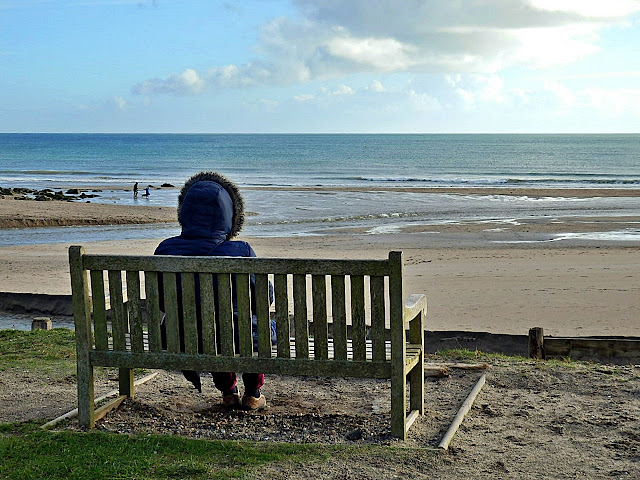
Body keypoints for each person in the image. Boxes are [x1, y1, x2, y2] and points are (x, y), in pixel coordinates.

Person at [154, 171, 270, 411]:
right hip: (238, 336)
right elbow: (264, 299)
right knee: (243, 328)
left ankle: (228, 393)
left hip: (184, 336)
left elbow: (162, 302)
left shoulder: (165, 250)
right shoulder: (241, 251)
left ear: (184, 212)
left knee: (214, 329)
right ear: (229, 216)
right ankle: (253, 393)